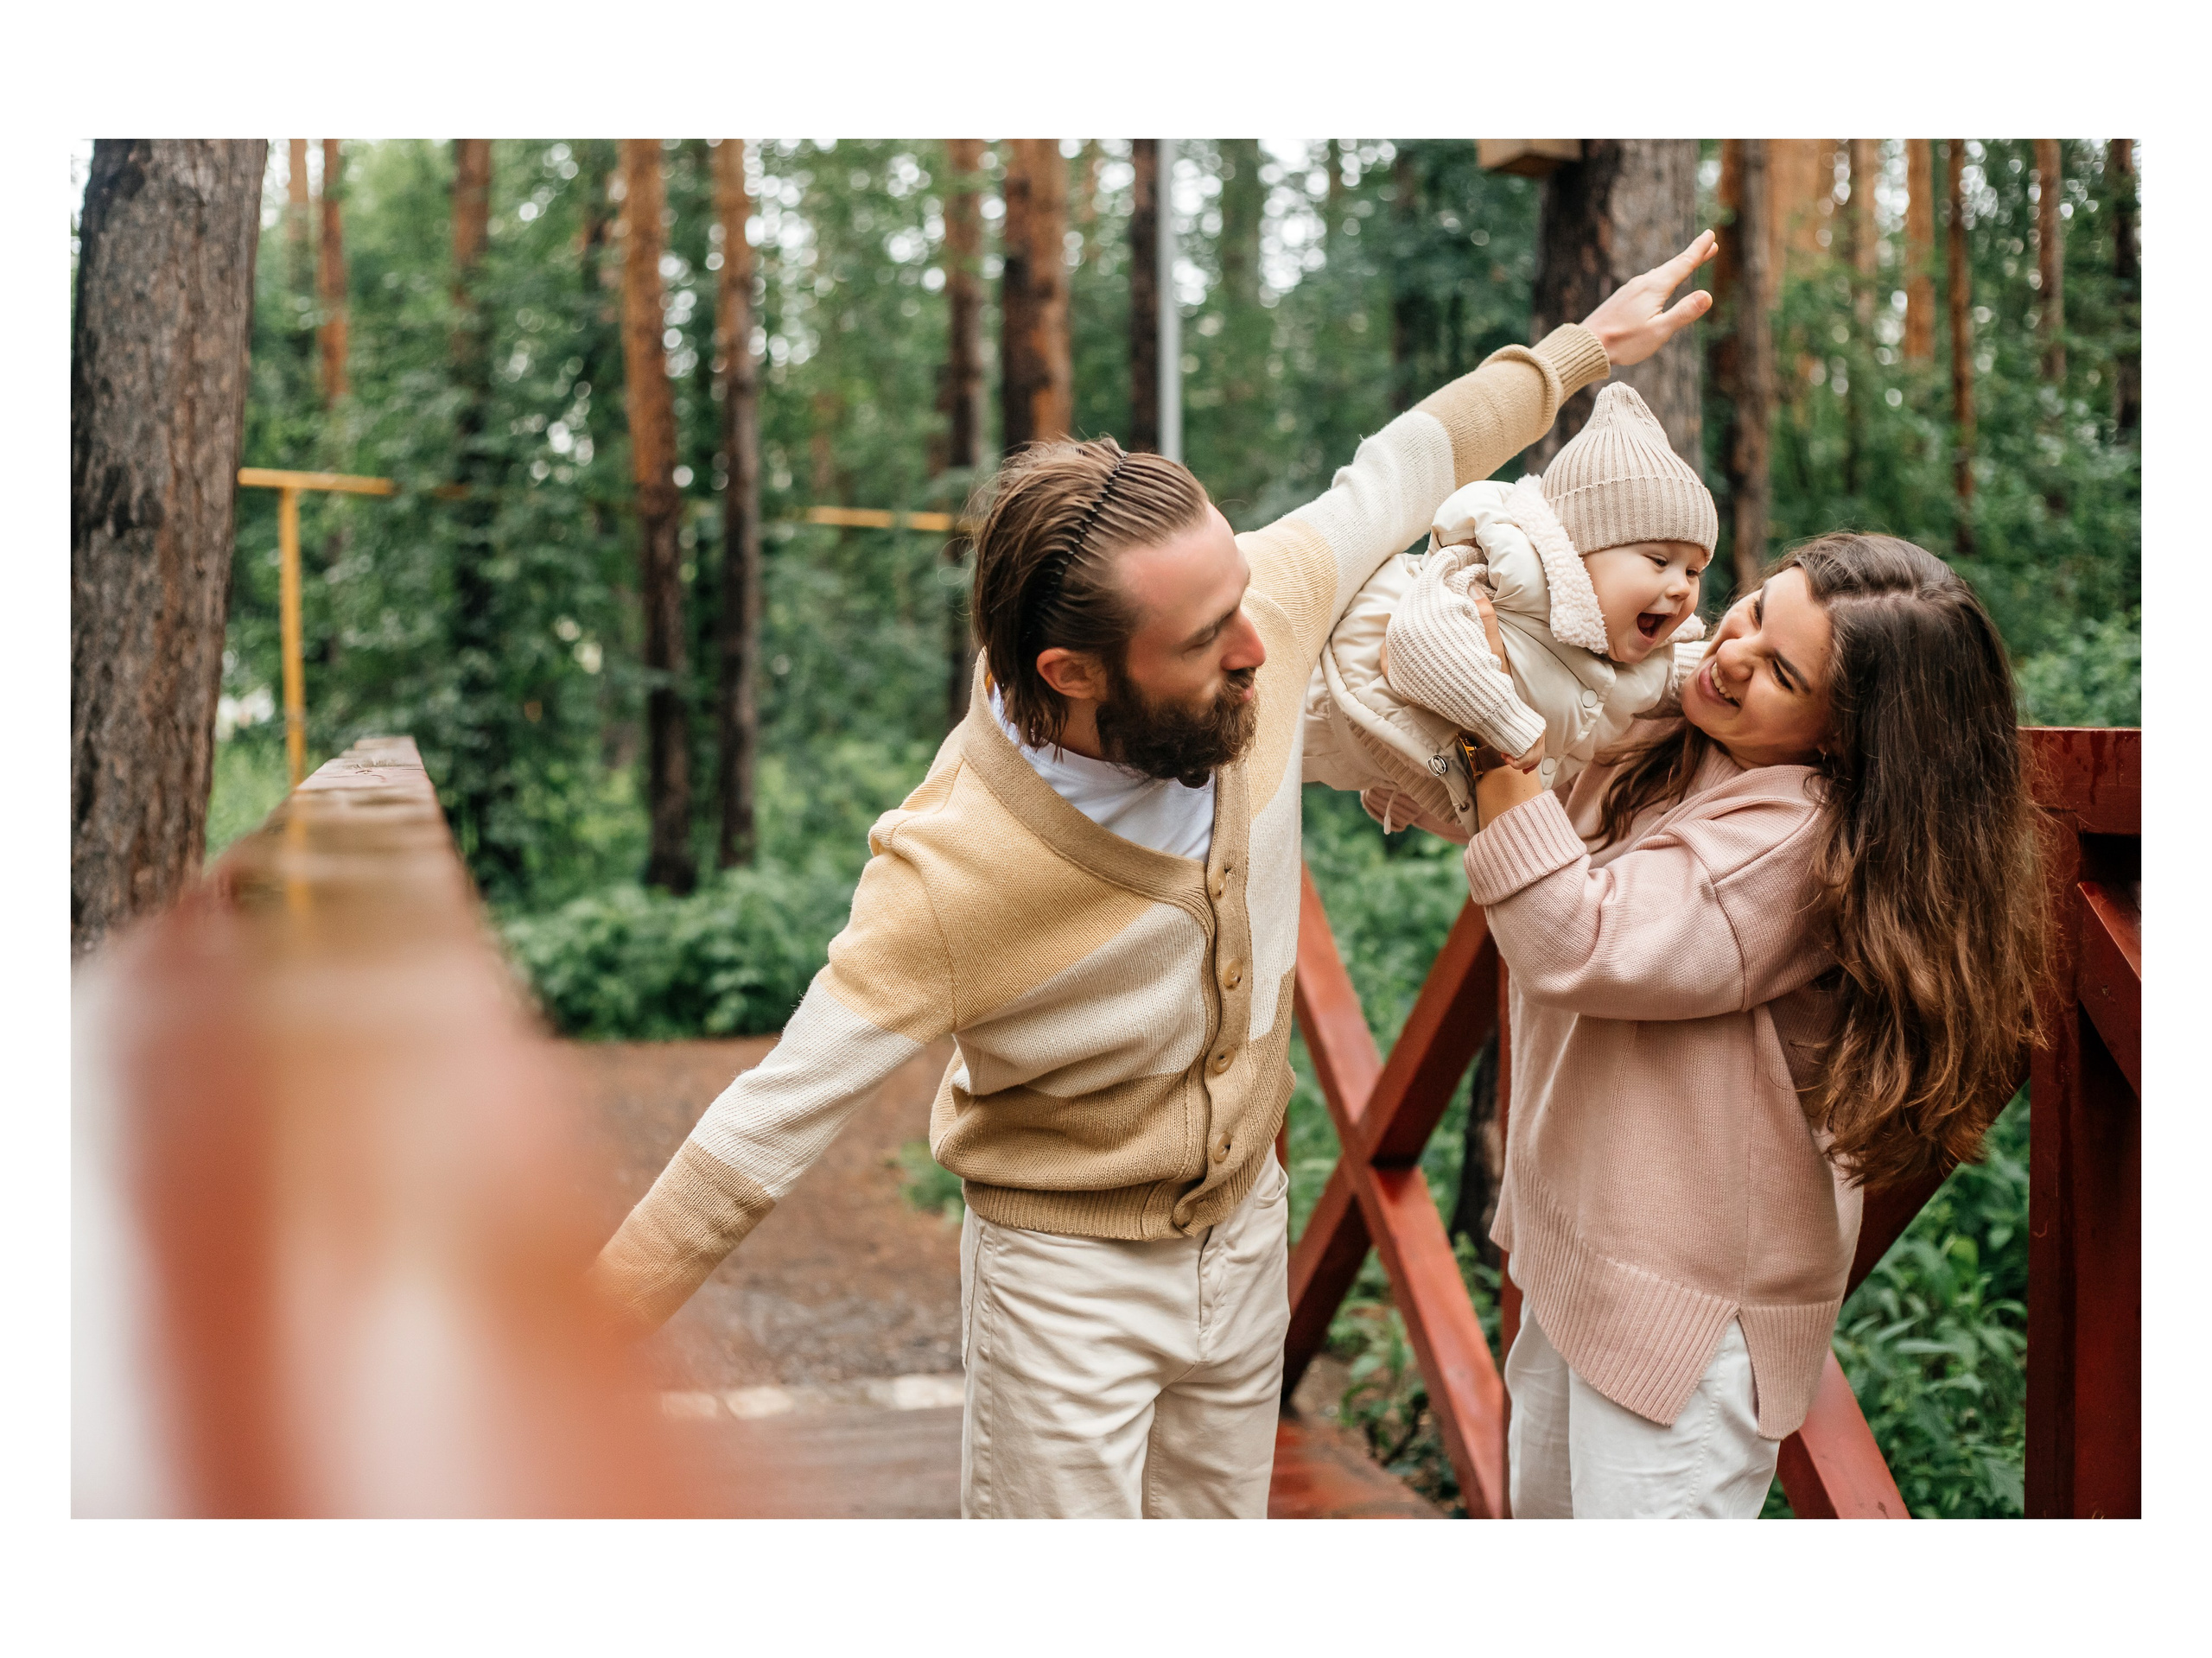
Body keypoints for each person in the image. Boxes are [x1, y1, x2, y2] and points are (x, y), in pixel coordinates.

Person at [587, 234, 1723, 1519]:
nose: (1261, 641)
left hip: (1246, 1237)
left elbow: (1406, 460)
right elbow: (759, 1128)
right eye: (1204, 637)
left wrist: (1581, 352)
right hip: (1063, 1273)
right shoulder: (957, 873)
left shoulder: (1266, 609)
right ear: (1072, 673)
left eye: (1246, 596)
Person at [1451, 532, 2049, 1518]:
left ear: (1853, 738)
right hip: (1584, 1260)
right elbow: (1520, 823)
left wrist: (1483, 716)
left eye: (1781, 669)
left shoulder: (1800, 831)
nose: (1730, 652)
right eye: (1757, 610)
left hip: (1684, 1320)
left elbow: (1573, 937)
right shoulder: (1689, 744)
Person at [1302, 380, 1716, 835]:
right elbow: (1416, 644)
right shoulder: (1506, 579)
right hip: (1310, 704)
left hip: (1381, 756)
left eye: (1693, 572)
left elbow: (1688, 672)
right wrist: (1504, 719)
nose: (1680, 587)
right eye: (1659, 561)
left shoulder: (1641, 650)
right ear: (1578, 549)